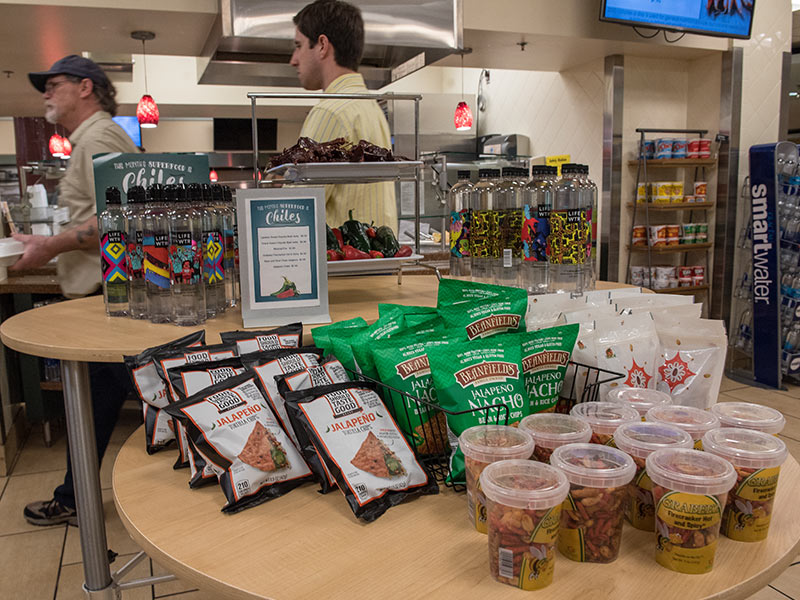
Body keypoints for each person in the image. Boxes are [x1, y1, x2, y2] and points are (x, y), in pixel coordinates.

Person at [12, 55, 139, 526]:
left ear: (86, 87)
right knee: (97, 406)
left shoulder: (100, 137)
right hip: (99, 297)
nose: (46, 91)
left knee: (148, 399)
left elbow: (121, 216)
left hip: (104, 300)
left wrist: (48, 245)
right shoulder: (89, 139)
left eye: (54, 83)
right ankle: (72, 497)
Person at [290, 0, 397, 230]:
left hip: (341, 264)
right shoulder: (371, 108)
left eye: (298, 46)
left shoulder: (330, 111)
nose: (293, 59)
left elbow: (295, 209)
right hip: (375, 259)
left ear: (322, 45)